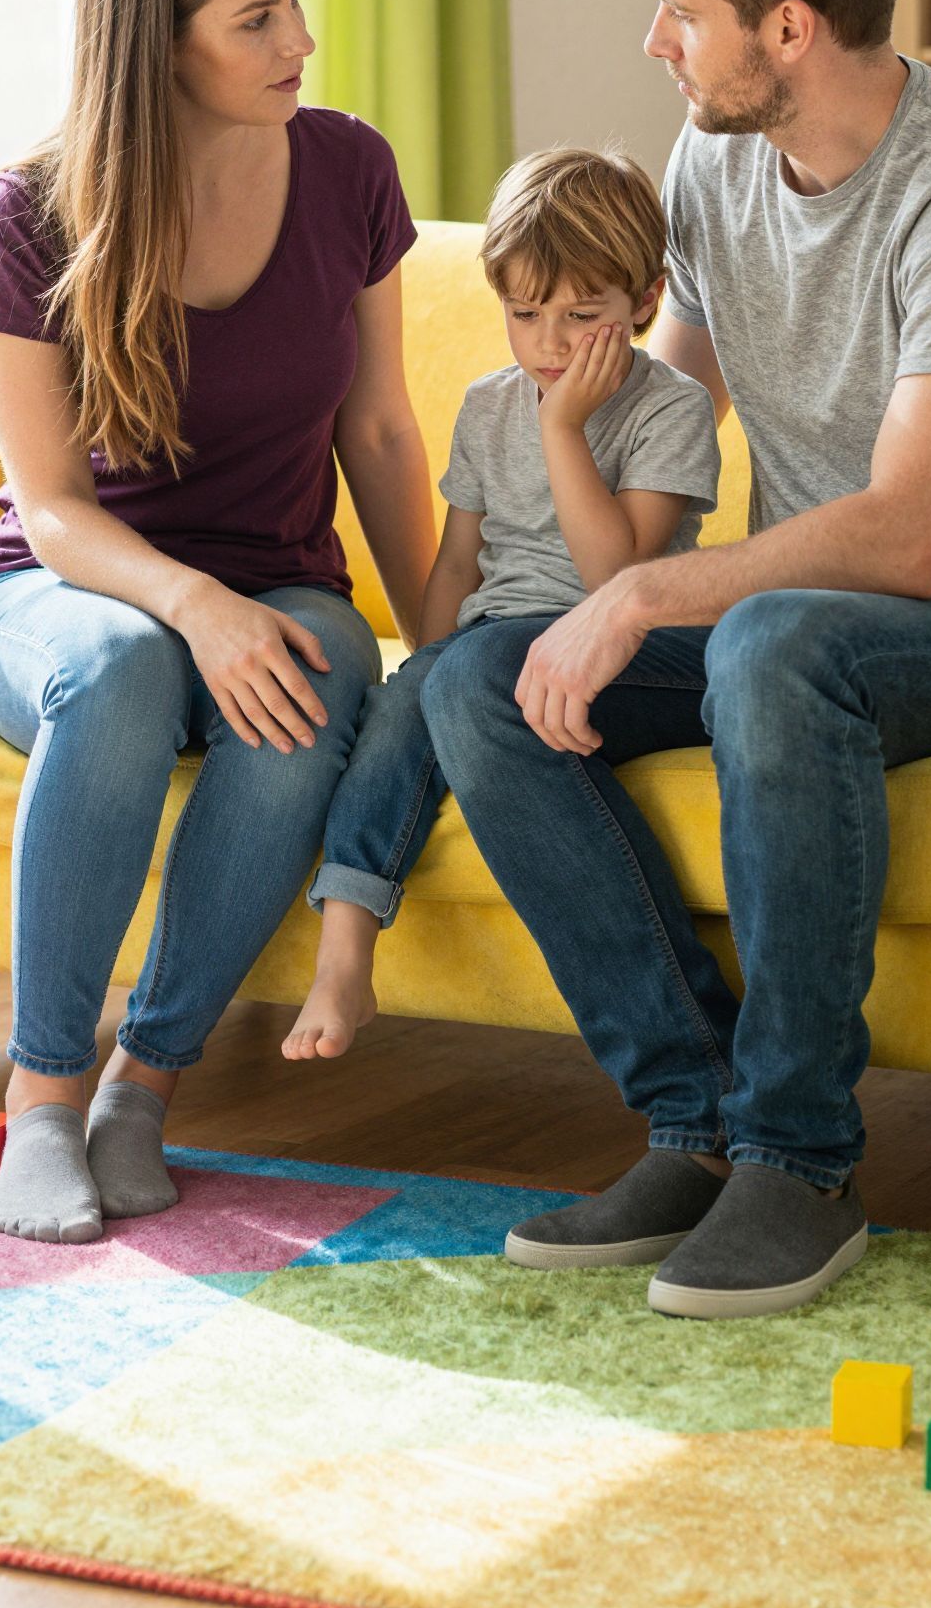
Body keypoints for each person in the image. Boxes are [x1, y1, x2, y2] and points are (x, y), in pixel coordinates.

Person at [412, 0, 931, 1319]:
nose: (654, 42)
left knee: (776, 644)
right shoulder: (715, 161)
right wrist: (569, 532)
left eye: (681, 12)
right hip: (796, 624)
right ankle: (696, 1122)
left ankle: (801, 1161)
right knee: (478, 682)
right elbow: (667, 417)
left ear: (789, 28)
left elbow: (916, 537)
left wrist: (639, 600)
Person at [0, 0, 437, 1245]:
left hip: (278, 575)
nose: (300, 44)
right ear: (160, 42)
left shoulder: (348, 169)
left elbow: (383, 431)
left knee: (317, 667)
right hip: (65, 589)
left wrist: (444, 658)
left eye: (298, 7)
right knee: (119, 672)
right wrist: (191, 606)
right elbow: (49, 508)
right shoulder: (31, 212)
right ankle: (44, 1099)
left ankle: (142, 1088)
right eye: (257, 19)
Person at [281, 147, 721, 1062]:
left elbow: (620, 583)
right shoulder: (488, 406)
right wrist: (425, 667)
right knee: (411, 695)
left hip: (622, 647)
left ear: (644, 301)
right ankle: (346, 952)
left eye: (583, 316)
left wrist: (563, 429)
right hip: (489, 648)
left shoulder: (666, 409)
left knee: (463, 677)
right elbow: (456, 564)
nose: (552, 344)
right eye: (526, 315)